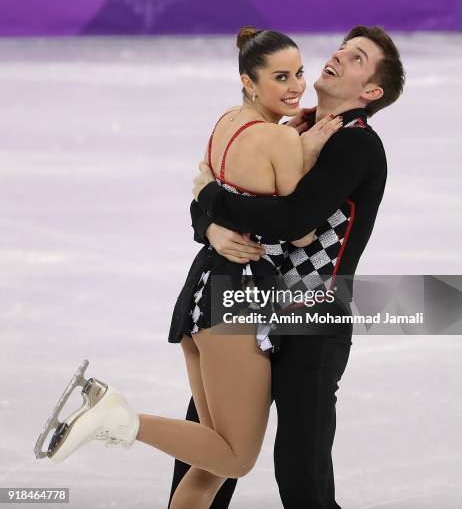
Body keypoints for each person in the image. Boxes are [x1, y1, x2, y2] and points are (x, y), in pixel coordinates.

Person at [35, 27, 341, 509]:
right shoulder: (278, 141)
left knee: (212, 460)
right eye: (280, 77)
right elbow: (299, 232)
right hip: (239, 298)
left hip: (203, 290)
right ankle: (119, 419)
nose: (296, 86)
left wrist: (218, 214)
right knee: (236, 458)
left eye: (299, 73)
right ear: (249, 82)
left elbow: (213, 184)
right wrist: (307, 153)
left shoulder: (226, 123)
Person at [171, 25, 406, 508]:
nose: (340, 54)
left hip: (311, 316)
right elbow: (228, 192)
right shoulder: (289, 129)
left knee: (301, 469)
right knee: (211, 441)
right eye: (344, 46)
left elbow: (293, 221)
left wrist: (209, 196)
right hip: (249, 300)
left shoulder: (356, 144)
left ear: (371, 91)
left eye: (357, 57)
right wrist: (211, 227)